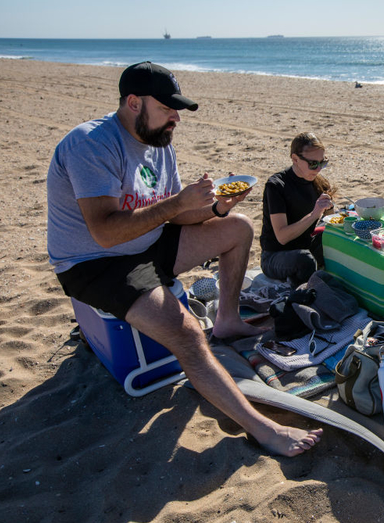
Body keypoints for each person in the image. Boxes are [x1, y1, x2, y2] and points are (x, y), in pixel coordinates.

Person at [47, 61, 322, 456]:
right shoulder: (91, 145)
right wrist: (177, 202)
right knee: (189, 333)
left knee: (239, 227)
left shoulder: (159, 143)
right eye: (167, 109)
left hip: (147, 242)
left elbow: (175, 215)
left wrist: (217, 209)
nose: (175, 118)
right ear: (133, 102)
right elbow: (105, 231)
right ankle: (263, 429)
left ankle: (226, 321)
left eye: (177, 110)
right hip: (96, 262)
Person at [260, 132, 336, 286]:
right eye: (313, 164)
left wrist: (329, 208)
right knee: (305, 260)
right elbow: (282, 237)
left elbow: (330, 219)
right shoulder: (276, 186)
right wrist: (315, 214)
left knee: (338, 241)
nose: (318, 169)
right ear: (295, 159)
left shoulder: (318, 182)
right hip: (275, 256)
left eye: (323, 163)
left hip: (306, 245)